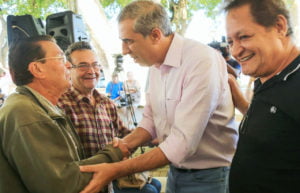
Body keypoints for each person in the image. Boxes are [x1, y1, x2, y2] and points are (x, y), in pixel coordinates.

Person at [79, 1, 238, 193]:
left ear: (155, 35)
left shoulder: (201, 61)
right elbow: (150, 121)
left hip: (211, 176)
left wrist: (115, 170)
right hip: (176, 172)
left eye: (129, 41)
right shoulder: (155, 65)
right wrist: (123, 144)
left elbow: (182, 143)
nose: (124, 50)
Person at [0, 35, 126, 193]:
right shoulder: (27, 114)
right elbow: (64, 184)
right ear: (38, 69)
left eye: (95, 65)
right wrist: (114, 153)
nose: (67, 64)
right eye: (60, 58)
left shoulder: (39, 107)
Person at [57, 41, 161, 193]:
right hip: (83, 184)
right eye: (83, 65)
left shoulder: (106, 103)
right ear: (68, 69)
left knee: (154, 186)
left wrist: (154, 135)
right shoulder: (61, 105)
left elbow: (124, 134)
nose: (91, 71)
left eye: (95, 65)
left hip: (110, 180)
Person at [224, 0, 300, 192]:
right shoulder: (267, 77)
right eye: (231, 41)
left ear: (279, 27)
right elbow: (276, 124)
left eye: (244, 37)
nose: (235, 51)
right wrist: (239, 100)